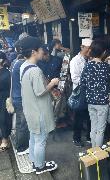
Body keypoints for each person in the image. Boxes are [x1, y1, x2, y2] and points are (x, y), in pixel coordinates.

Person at [20, 36, 58, 174]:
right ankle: (40, 166)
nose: (43, 51)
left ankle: (34, 160)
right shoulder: (35, 70)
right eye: (41, 49)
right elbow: (40, 91)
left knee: (34, 136)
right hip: (39, 111)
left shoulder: (23, 65)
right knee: (41, 140)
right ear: (34, 52)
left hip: (30, 110)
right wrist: (52, 83)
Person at [80, 40, 110, 147]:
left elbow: (82, 82)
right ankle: (98, 154)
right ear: (103, 53)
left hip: (91, 101)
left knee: (93, 126)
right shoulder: (106, 67)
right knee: (100, 130)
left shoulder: (87, 66)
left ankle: (94, 150)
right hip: (102, 102)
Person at [70, 38, 92, 147]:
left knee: (89, 116)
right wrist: (88, 82)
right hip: (80, 93)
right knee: (78, 117)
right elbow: (74, 78)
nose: (90, 51)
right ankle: (76, 138)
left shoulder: (91, 59)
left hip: (90, 93)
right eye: (88, 49)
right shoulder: (75, 60)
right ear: (82, 47)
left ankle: (89, 136)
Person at [10, 38, 30, 155]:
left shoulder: (14, 62)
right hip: (21, 98)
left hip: (15, 96)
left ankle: (18, 144)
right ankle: (22, 148)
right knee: (23, 124)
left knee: (19, 123)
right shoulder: (22, 64)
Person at [0, 51, 11, 152]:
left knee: (3, 119)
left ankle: (5, 139)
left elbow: (9, 88)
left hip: (4, 98)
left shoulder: (7, 73)